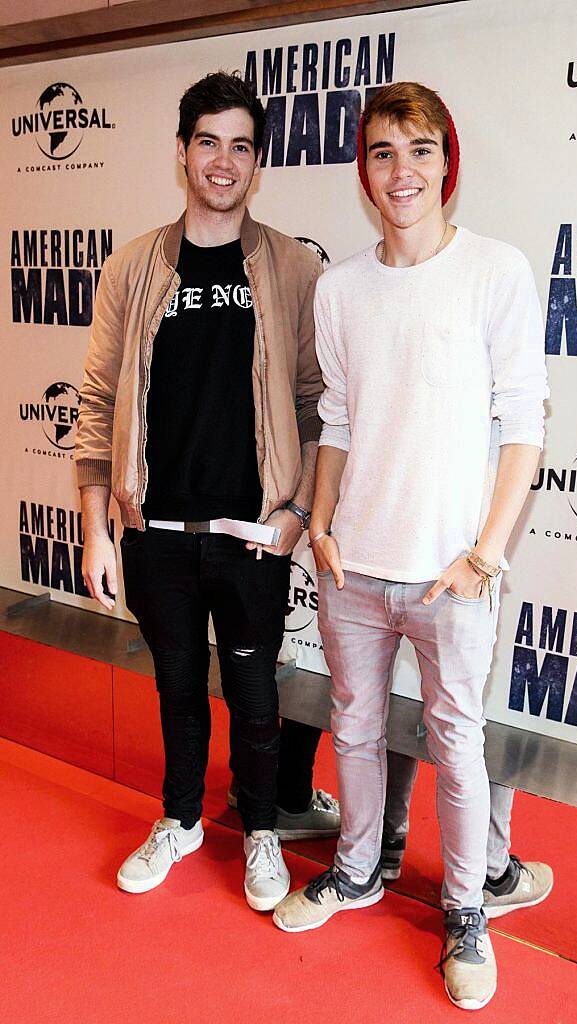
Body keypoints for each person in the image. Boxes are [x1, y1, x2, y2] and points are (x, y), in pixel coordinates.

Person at [273, 82, 552, 1011]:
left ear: (447, 162)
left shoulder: (495, 271)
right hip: (353, 565)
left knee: (457, 747)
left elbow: (522, 427)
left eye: (419, 149)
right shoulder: (342, 288)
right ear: (364, 169)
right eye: (384, 152)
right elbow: (339, 418)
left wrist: (483, 554)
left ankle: (466, 910)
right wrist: (318, 522)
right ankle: (356, 872)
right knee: (351, 727)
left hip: (452, 576)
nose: (402, 170)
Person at [74, 70, 339, 912]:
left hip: (254, 532)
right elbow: (96, 402)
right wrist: (96, 530)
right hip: (153, 527)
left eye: (240, 146)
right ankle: (181, 820)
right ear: (182, 152)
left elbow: (315, 401)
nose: (222, 161)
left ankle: (260, 829)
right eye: (207, 142)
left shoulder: (292, 265)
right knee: (179, 690)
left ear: (257, 164)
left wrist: (299, 516)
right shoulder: (132, 265)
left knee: (258, 697)